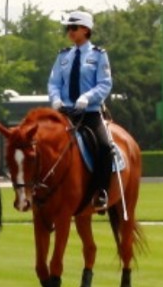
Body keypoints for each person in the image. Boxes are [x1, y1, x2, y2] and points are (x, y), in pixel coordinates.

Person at [47, 11, 114, 211]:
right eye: (68, 28)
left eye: (73, 28)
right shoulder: (63, 56)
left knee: (104, 146)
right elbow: (54, 82)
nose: (70, 32)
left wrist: (88, 97)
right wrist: (56, 99)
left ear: (86, 29)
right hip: (65, 112)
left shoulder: (99, 55)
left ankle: (102, 190)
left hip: (90, 112)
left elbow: (105, 84)